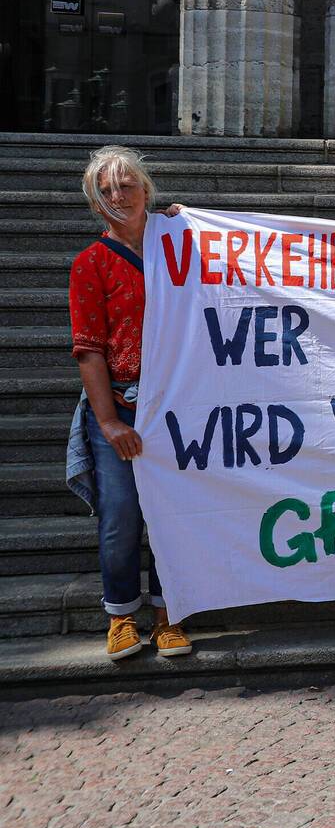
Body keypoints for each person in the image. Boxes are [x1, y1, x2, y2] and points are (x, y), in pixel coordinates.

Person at [62, 145, 189, 660]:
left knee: (173, 514)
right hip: (122, 405)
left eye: (126, 185)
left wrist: (193, 225)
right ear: (96, 203)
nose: (118, 195)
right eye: (106, 189)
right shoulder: (90, 264)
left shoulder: (180, 247)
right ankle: (120, 616)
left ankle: (167, 614)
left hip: (180, 406)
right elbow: (88, 350)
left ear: (146, 190)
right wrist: (109, 421)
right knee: (120, 515)